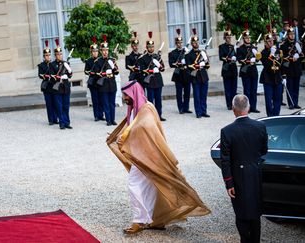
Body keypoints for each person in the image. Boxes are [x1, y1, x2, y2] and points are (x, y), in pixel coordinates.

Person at [107, 80, 210, 234]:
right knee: (151, 187)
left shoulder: (147, 108)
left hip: (149, 156)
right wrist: (121, 135)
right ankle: (155, 220)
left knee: (133, 184)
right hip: (140, 155)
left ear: (133, 93)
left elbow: (146, 127)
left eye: (126, 95)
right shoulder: (135, 109)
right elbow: (132, 127)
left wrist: (128, 134)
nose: (124, 97)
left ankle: (139, 221)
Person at [220, 94, 268, 243]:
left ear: (233, 109)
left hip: (238, 177)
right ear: (248, 108)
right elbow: (264, 150)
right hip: (255, 174)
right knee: (255, 212)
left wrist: (229, 183)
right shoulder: (260, 126)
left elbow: (225, 160)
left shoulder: (227, 131)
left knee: (241, 213)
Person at [138, 31, 166, 121]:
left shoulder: (157, 57)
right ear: (147, 47)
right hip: (149, 81)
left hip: (158, 80)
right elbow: (141, 70)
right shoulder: (143, 58)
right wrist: (151, 70)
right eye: (149, 47)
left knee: (158, 100)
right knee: (150, 101)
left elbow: (163, 68)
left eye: (152, 46)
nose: (151, 48)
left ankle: (158, 115)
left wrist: (159, 67)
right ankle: (150, 116)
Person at [93, 34, 119, 126]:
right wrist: (105, 73)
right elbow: (96, 74)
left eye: (106, 50)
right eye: (103, 50)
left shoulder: (112, 60)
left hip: (111, 84)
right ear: (100, 51)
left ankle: (113, 119)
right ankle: (108, 120)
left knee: (112, 103)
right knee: (106, 104)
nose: (105, 52)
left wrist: (113, 67)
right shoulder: (98, 61)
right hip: (103, 85)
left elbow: (116, 72)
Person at [186, 28, 210, 118]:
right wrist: (197, 65)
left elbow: (207, 65)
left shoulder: (202, 53)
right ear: (191, 44)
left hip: (203, 76)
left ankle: (204, 111)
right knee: (197, 96)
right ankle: (198, 112)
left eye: (197, 42)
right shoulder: (188, 55)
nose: (196, 44)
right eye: (194, 42)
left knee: (204, 95)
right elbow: (188, 66)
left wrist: (205, 63)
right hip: (195, 77)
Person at [237, 23, 260, 113]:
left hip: (253, 71)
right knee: (247, 91)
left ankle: (253, 107)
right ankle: (247, 108)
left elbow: (258, 59)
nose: (248, 39)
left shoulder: (253, 47)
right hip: (245, 71)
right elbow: (239, 60)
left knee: (254, 90)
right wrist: (248, 60)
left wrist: (256, 57)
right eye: (246, 38)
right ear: (243, 39)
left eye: (249, 38)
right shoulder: (240, 49)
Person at [50, 38, 73, 130]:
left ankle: (67, 122)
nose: (59, 55)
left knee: (66, 106)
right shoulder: (52, 65)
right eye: (58, 54)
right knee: (59, 106)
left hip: (66, 87)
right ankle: (62, 123)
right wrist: (60, 77)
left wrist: (69, 70)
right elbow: (52, 76)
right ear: (55, 55)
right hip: (57, 87)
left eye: (60, 54)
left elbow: (70, 75)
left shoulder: (66, 63)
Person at [260, 30, 284, 117]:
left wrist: (284, 77)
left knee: (278, 98)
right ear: (265, 43)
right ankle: (270, 116)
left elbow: (281, 64)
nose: (271, 42)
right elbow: (267, 65)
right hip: (267, 78)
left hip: (277, 77)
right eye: (269, 41)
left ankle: (276, 115)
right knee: (268, 99)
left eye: (272, 41)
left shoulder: (278, 51)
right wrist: (271, 54)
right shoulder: (263, 53)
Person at [168, 28, 192, 114]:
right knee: (179, 93)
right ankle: (180, 108)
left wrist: (187, 55)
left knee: (187, 92)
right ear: (176, 44)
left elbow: (190, 62)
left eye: (181, 43)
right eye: (178, 43)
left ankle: (186, 107)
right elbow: (171, 64)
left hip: (186, 73)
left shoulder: (186, 52)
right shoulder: (172, 53)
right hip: (178, 74)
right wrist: (178, 64)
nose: (179, 44)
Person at [280, 26, 303, 109]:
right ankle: (291, 103)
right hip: (289, 69)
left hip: (297, 69)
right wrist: (292, 57)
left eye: (293, 34)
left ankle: (296, 103)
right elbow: (283, 59)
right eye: (290, 34)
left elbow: (303, 56)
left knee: (296, 88)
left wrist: (299, 54)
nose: (292, 35)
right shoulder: (283, 45)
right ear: (287, 35)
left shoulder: (297, 44)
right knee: (290, 87)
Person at [38, 40, 58, 125]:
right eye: (46, 55)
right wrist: (48, 76)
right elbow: (40, 75)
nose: (48, 57)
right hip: (47, 87)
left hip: (54, 86)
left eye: (49, 55)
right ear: (44, 56)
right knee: (49, 104)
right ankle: (50, 120)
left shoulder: (53, 64)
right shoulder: (41, 65)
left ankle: (55, 118)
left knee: (55, 103)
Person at [219, 25, 239, 110]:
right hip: (226, 69)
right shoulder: (221, 47)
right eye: (227, 37)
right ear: (224, 38)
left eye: (230, 37)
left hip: (233, 69)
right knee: (228, 89)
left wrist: (235, 58)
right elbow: (221, 57)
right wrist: (228, 58)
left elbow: (236, 56)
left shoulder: (233, 47)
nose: (229, 39)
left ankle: (234, 104)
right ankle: (229, 104)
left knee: (234, 88)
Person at [85, 36, 104, 121]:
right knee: (95, 100)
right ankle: (96, 115)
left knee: (101, 99)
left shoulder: (101, 60)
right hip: (93, 82)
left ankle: (101, 115)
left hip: (100, 82)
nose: (95, 53)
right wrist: (92, 73)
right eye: (93, 52)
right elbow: (86, 71)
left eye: (96, 51)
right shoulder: (88, 61)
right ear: (91, 52)